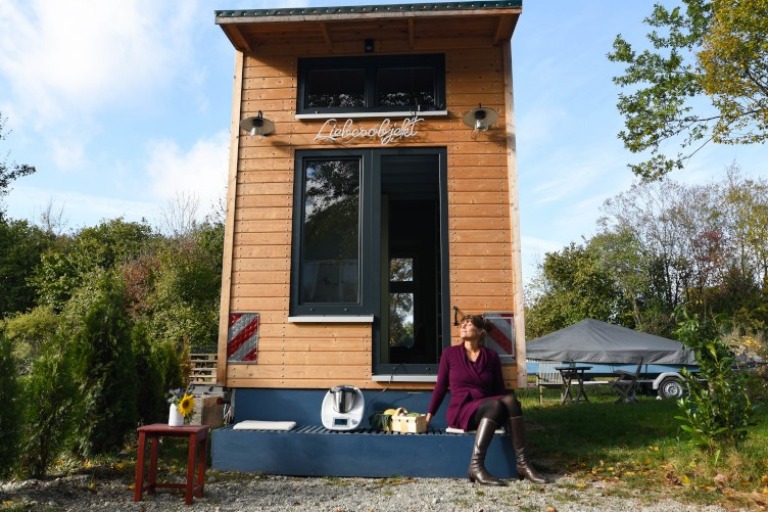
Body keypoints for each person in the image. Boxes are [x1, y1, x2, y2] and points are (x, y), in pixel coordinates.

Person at [425, 314, 546, 485]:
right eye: (462, 324)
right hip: (461, 410)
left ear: (481, 331)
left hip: (487, 409)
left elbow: (499, 390)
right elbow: (440, 387)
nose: (463, 327)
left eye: (468, 324)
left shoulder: (491, 356)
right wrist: (430, 414)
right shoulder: (450, 354)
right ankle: (476, 466)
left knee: (510, 400)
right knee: (495, 404)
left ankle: (523, 463)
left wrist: (507, 413)